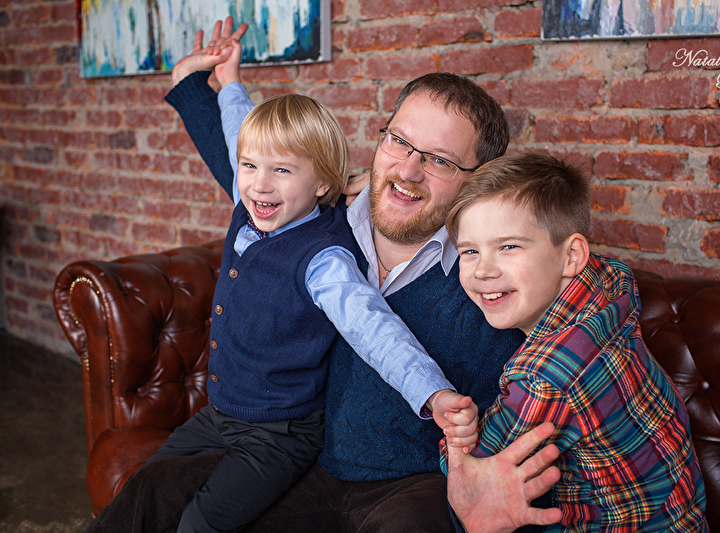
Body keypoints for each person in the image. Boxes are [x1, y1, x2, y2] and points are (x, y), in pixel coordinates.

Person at [83, 17, 562, 533]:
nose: (407, 170)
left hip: (410, 487)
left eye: (439, 160)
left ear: (478, 179)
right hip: (303, 468)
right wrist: (202, 81)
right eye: (399, 141)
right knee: (152, 492)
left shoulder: (487, 275)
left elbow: (559, 343)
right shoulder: (311, 218)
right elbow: (244, 157)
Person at [140, 89, 484, 532]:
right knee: (147, 484)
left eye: (282, 170)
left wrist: (432, 393)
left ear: (321, 184)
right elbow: (238, 132)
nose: (259, 184)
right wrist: (230, 85)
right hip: (221, 412)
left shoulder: (324, 259)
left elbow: (376, 330)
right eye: (250, 166)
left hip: (278, 433)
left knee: (200, 523)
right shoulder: (250, 203)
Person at [442, 151, 709, 532]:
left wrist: (455, 438)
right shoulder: (610, 282)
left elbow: (475, 474)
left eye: (508, 246)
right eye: (470, 251)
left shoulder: (547, 376)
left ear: (571, 255)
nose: (483, 270)